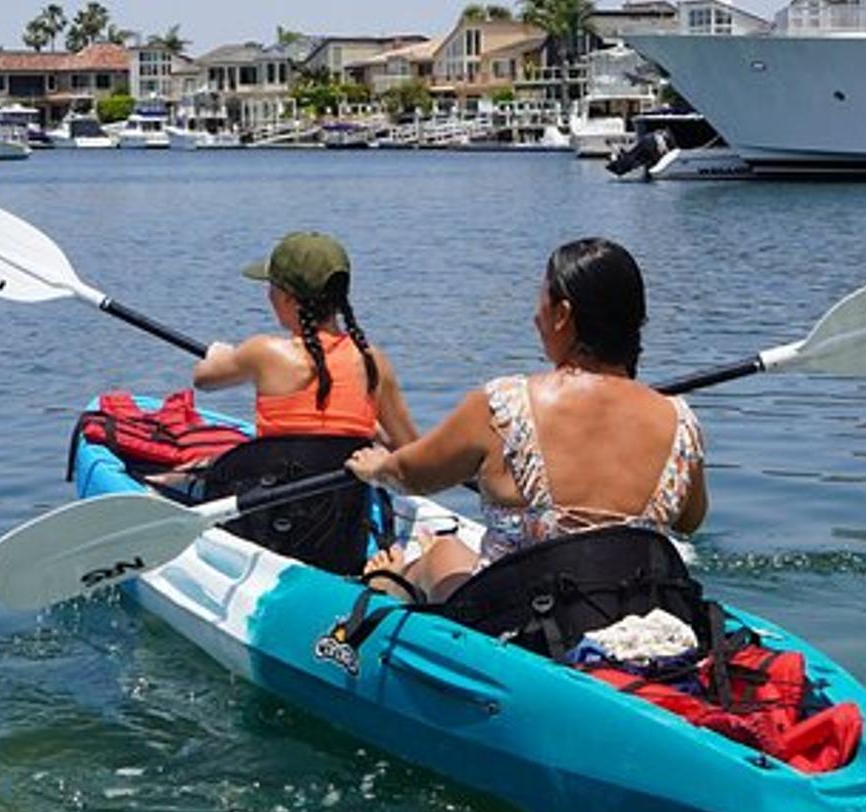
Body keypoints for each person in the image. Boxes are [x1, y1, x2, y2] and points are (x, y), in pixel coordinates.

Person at [345, 237, 705, 600]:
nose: (536, 316)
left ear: (563, 315)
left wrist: (377, 467)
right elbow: (690, 519)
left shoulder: (503, 406)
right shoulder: (680, 420)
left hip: (526, 623)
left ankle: (387, 582)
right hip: (636, 609)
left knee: (442, 551)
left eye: (542, 301)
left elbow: (412, 476)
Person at [193, 230, 419, 450]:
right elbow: (412, 454)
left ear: (288, 299)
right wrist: (373, 433)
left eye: (271, 286)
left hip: (276, 482)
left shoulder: (262, 352)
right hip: (345, 487)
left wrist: (219, 354)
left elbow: (203, 379)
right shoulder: (373, 361)